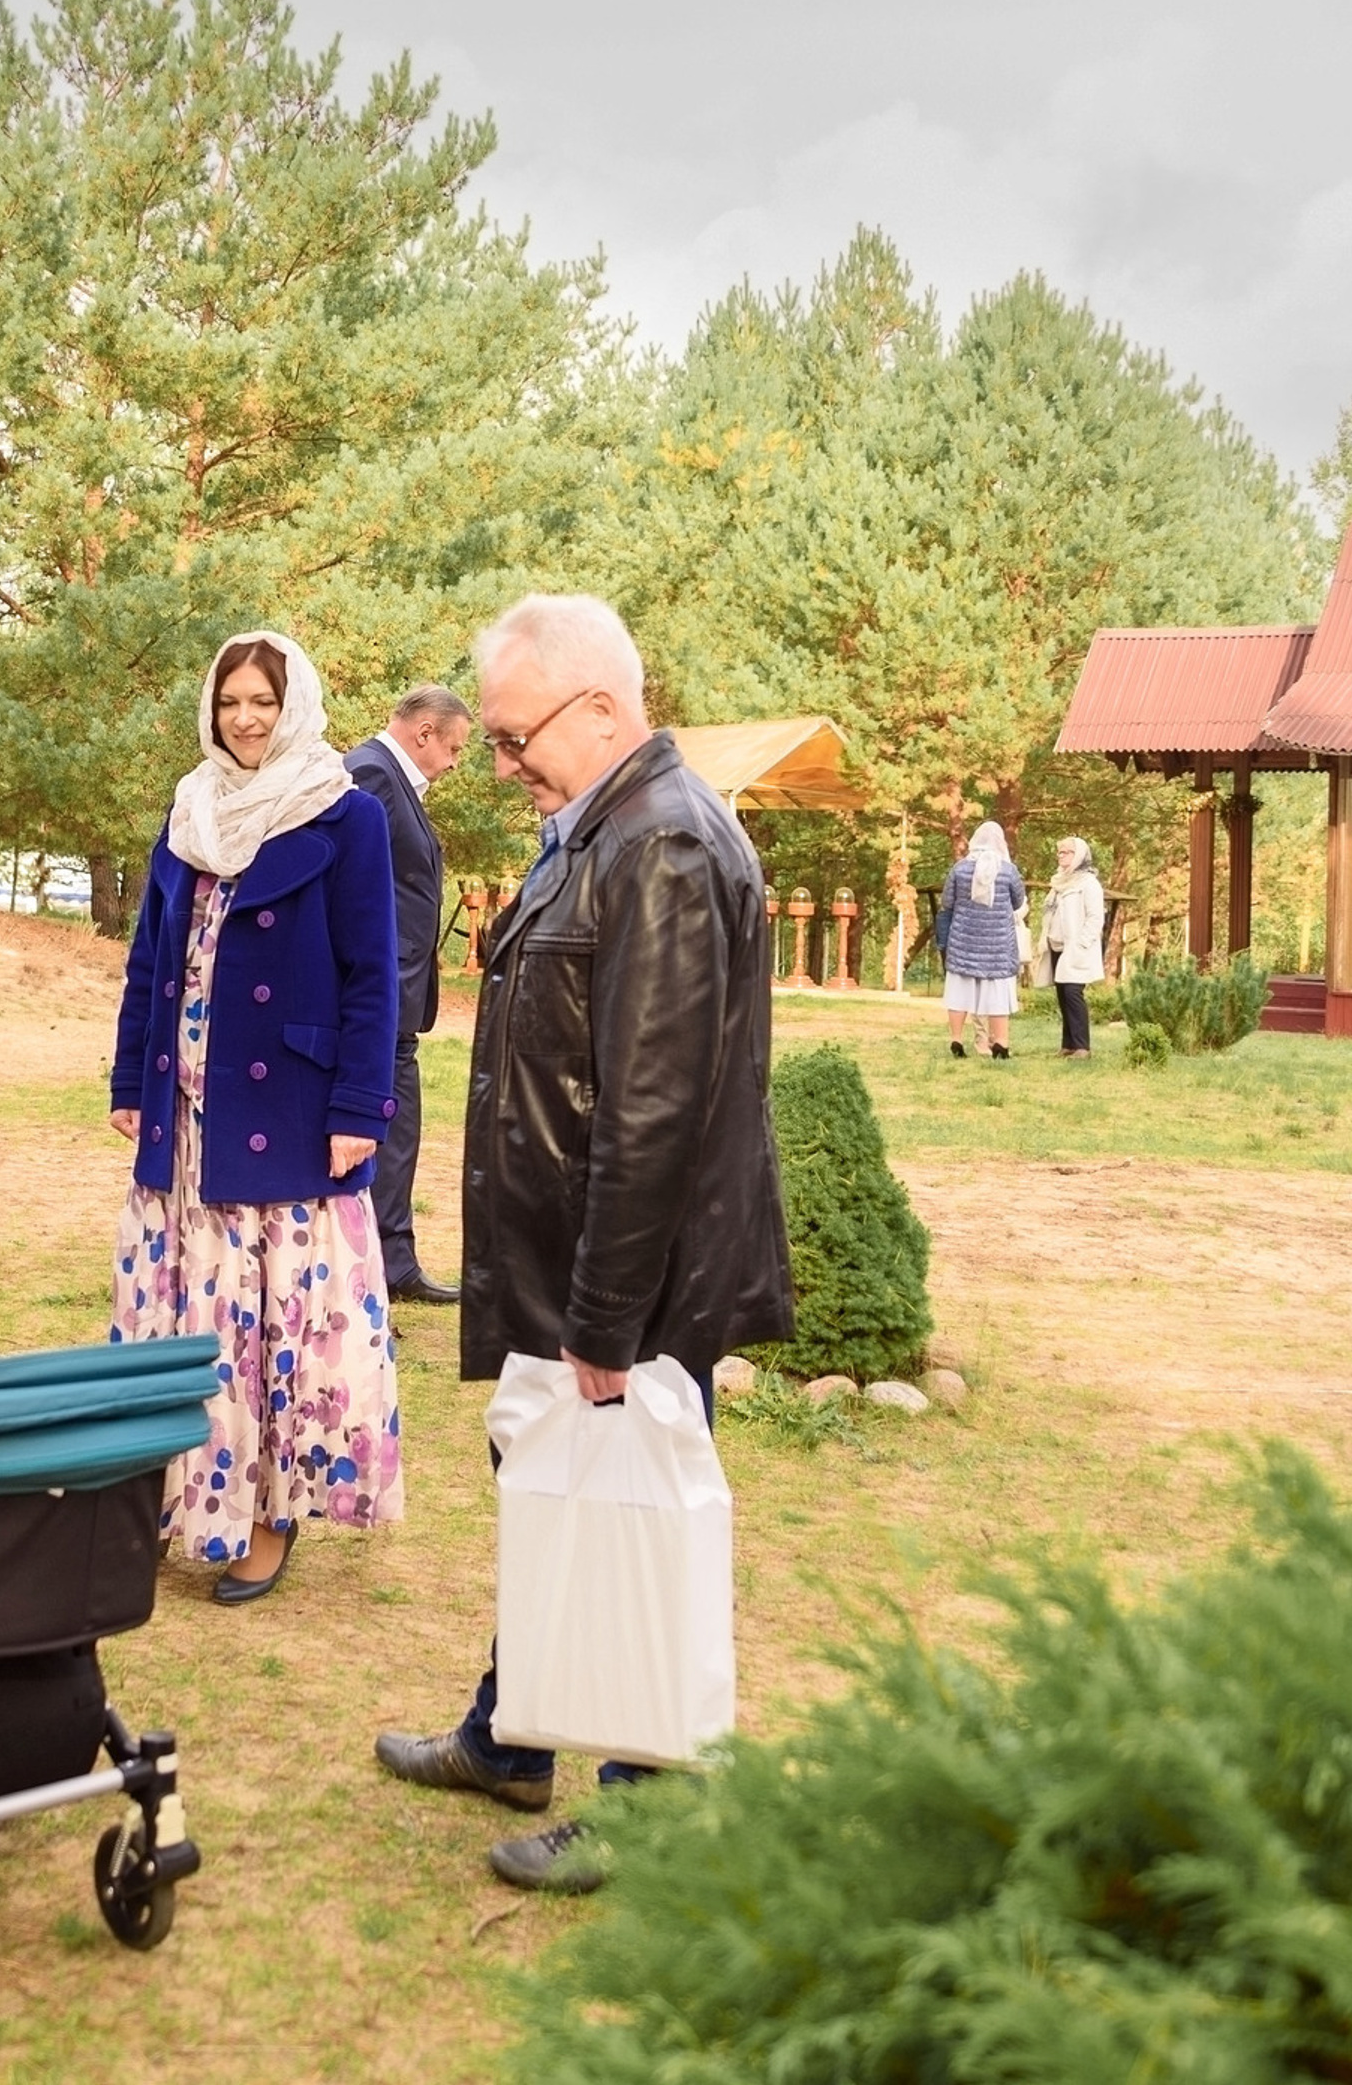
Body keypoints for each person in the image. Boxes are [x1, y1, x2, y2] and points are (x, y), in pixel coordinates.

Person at [374, 592, 793, 1895]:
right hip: (571, 1267)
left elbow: (655, 1113)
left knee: (634, 1530)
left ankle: (645, 1801)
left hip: (636, 1291)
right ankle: (513, 1733)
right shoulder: (596, 826)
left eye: (513, 738)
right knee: (559, 1497)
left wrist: (607, 1323)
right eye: (492, 741)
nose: (498, 766)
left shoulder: (663, 845)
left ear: (602, 707)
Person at [108, 629, 403, 1605]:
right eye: (230, 699)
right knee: (184, 1319)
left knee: (272, 1323)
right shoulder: (189, 810)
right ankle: (171, 1496)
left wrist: (361, 1105)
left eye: (262, 701)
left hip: (290, 1108)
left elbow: (372, 976)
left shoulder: (344, 814)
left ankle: (268, 1511)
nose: (243, 716)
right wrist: (126, 1080)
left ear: (294, 707)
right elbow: (149, 962)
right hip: (184, 1106)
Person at [343, 685, 471, 1305]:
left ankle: (392, 1258)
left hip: (398, 994)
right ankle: (378, 1261)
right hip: (375, 994)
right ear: (424, 732)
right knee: (383, 1124)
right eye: (453, 748)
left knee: (400, 1126)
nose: (453, 763)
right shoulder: (368, 773)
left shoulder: (392, 780)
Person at [940, 819, 1027, 1058]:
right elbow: (1019, 901)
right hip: (997, 946)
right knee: (998, 995)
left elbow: (947, 903)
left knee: (959, 994)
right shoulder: (1008, 870)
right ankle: (1001, 1042)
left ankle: (957, 1040)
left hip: (963, 943)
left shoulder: (959, 869)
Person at [1043, 836, 1106, 1058]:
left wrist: (1081, 943)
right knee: (1062, 994)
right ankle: (1068, 1044)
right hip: (1057, 946)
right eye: (1059, 852)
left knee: (1072, 993)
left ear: (1079, 854)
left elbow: (1095, 918)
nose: (1061, 856)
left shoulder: (1088, 883)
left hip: (1077, 948)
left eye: (1067, 852)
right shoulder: (1059, 882)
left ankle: (1082, 1047)